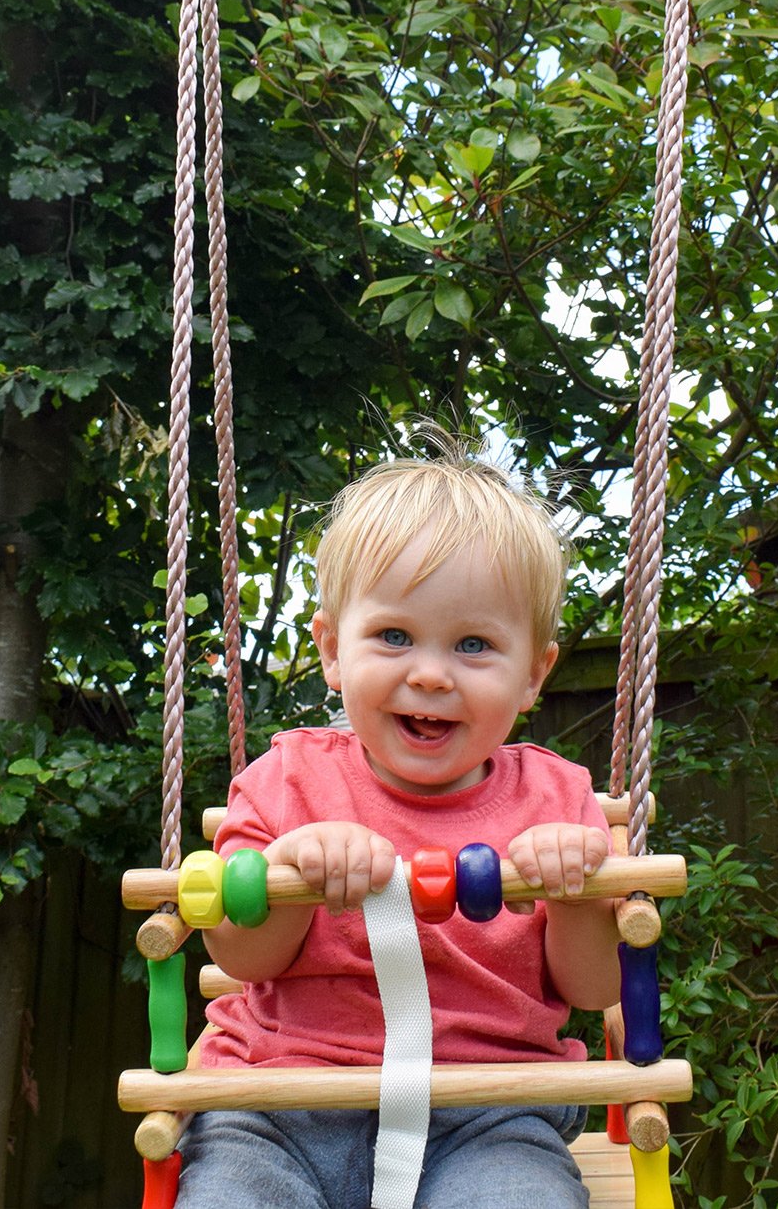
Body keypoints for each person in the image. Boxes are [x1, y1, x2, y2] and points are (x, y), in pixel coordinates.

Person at [174, 451, 622, 1209]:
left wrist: (578, 890)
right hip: (280, 1107)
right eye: (393, 636)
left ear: (534, 674)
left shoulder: (555, 797)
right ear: (330, 650)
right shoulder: (288, 781)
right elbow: (241, 955)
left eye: (474, 645)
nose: (432, 674)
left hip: (489, 1114)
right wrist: (291, 877)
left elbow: (595, 986)